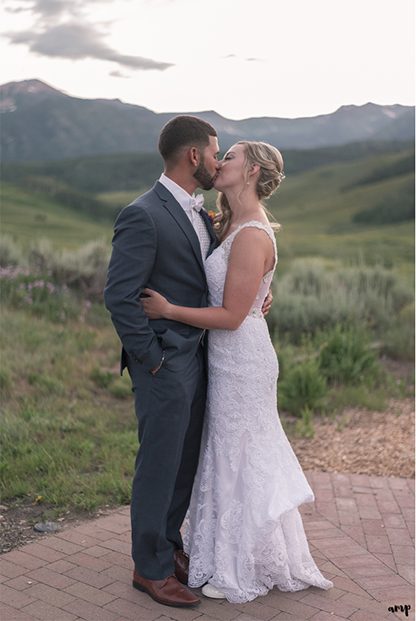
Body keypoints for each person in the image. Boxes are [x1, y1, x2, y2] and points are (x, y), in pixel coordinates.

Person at [140, 139, 332, 603]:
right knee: (225, 452)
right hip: (224, 357)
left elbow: (229, 315)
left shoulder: (250, 234)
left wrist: (169, 309)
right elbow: (244, 291)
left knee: (240, 453)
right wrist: (261, 293)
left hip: (242, 359)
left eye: (230, 158)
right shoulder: (227, 224)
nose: (219, 162)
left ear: (250, 172)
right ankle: (219, 550)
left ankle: (241, 559)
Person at [106, 115, 225, 608]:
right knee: (159, 464)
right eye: (216, 153)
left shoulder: (199, 213)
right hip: (163, 364)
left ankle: (169, 545)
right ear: (193, 156)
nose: (219, 163)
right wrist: (151, 359)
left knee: (184, 463)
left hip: (198, 358)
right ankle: (148, 569)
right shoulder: (144, 213)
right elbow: (119, 296)